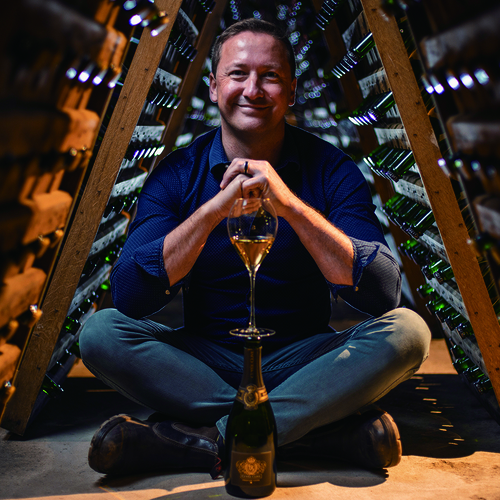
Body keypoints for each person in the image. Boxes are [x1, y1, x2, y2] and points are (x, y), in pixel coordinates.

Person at [79, 18, 431, 478]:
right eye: (238, 74)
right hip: (204, 361)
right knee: (100, 332)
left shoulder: (332, 169)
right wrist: (214, 209)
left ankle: (203, 442)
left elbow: (381, 292)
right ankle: (313, 431)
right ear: (213, 86)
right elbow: (130, 294)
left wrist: (290, 205)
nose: (253, 89)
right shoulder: (177, 173)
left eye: (270, 76)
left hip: (304, 359)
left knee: (408, 332)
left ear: (292, 90)